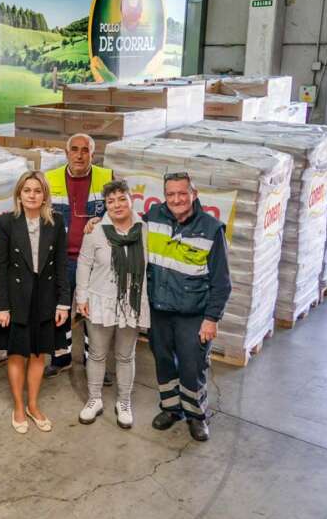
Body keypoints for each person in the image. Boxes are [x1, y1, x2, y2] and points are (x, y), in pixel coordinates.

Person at [85, 172, 232, 441]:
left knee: (193, 365)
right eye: (171, 194)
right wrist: (99, 221)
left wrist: (212, 318)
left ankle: (197, 415)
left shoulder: (211, 229)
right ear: (165, 196)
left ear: (194, 194)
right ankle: (171, 408)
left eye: (182, 193)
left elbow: (222, 282)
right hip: (160, 309)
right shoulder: (154, 218)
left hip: (192, 312)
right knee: (163, 362)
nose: (177, 199)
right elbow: (124, 219)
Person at [0, 171, 70, 433]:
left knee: (38, 354)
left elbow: (61, 265)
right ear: (19, 195)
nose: (32, 195)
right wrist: (1, 305)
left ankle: (33, 405)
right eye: (27, 190)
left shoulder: (55, 222)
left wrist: (63, 303)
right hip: (16, 299)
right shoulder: (6, 223)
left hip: (45, 298)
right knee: (17, 354)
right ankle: (18, 406)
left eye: (37, 190)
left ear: (45, 194)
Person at [75, 180, 149, 430]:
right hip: (99, 300)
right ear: (105, 205)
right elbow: (84, 264)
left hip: (131, 304)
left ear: (131, 200)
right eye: (110, 201)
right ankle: (94, 400)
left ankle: (124, 402)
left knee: (125, 356)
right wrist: (81, 297)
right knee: (96, 354)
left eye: (121, 199)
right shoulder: (95, 230)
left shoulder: (145, 229)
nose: (116, 205)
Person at [43, 133, 114, 378]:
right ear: (67, 153)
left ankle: (93, 360)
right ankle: (60, 357)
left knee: (93, 314)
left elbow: (118, 213)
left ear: (93, 155)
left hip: (93, 260)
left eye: (85, 150)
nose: (80, 155)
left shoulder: (106, 178)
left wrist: (103, 221)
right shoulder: (50, 179)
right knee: (59, 308)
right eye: (74, 149)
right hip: (61, 259)